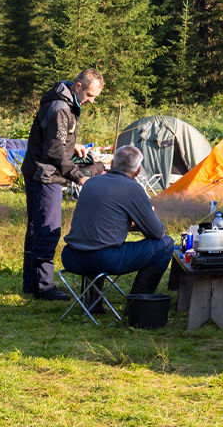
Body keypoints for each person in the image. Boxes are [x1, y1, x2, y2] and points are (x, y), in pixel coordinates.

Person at [22, 68, 104, 300]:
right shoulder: (60, 107)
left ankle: (31, 283)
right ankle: (44, 287)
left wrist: (73, 146)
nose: (91, 101)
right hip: (44, 175)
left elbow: (57, 138)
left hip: (38, 170)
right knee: (48, 229)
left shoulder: (65, 101)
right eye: (90, 95)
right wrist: (79, 177)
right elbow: (55, 151)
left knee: (35, 228)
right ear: (78, 86)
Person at [61, 146, 174, 297]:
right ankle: (137, 303)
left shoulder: (91, 183)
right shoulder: (133, 188)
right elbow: (158, 232)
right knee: (166, 244)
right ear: (138, 170)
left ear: (112, 164)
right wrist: (140, 221)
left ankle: (93, 303)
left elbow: (100, 223)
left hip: (71, 256)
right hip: (103, 259)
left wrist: (124, 223)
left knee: (98, 242)